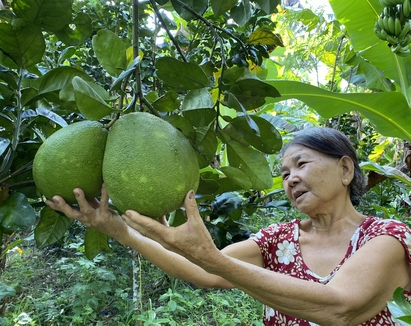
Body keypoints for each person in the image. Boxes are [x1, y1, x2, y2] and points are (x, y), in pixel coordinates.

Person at [46, 126, 411, 325]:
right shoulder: (278, 240)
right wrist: (118, 230)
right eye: (284, 174)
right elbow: (202, 271)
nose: (291, 179)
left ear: (345, 169)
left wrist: (212, 258)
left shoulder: (388, 238)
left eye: (301, 165)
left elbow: (340, 309)